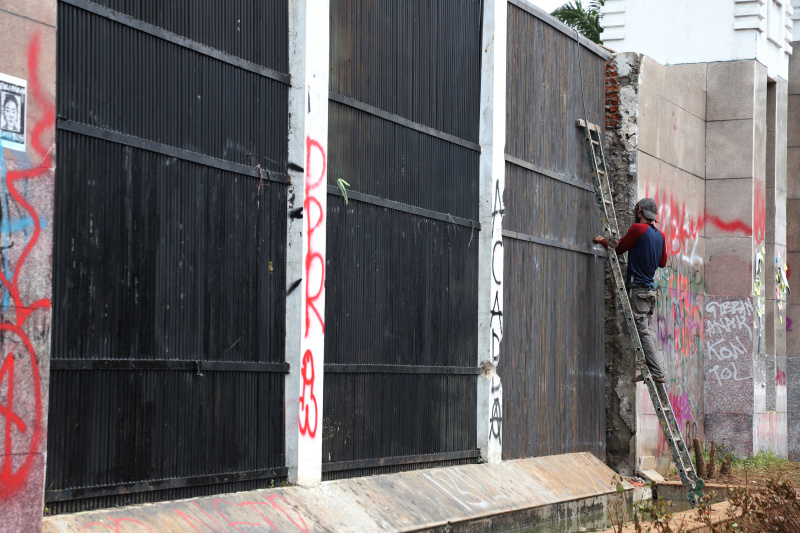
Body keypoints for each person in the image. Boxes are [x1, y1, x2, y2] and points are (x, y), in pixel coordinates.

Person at [592, 198, 668, 383]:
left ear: (640, 210)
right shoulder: (661, 236)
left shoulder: (638, 229)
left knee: (643, 332)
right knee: (648, 330)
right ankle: (654, 368)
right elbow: (663, 263)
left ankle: (657, 372)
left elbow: (618, 248)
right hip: (649, 291)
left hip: (638, 290)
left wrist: (602, 240)